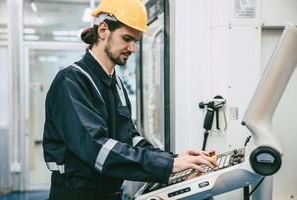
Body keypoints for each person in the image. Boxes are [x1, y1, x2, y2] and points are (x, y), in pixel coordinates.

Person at [43, 0, 217, 199]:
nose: (133, 48)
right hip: (77, 195)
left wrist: (173, 159)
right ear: (102, 30)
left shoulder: (114, 82)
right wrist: (167, 166)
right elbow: (96, 148)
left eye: (136, 41)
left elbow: (129, 138)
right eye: (127, 38)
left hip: (110, 193)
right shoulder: (70, 81)